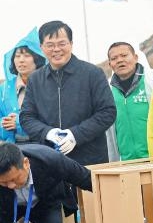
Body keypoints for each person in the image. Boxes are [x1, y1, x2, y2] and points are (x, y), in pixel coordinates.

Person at [20, 21, 116, 167]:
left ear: (71, 43)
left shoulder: (92, 73)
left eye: (62, 43)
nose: (56, 49)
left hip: (89, 160)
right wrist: (48, 132)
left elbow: (107, 112)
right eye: (50, 45)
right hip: (48, 160)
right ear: (41, 47)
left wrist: (75, 135)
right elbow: (27, 117)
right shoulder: (35, 79)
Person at [105, 42, 153, 161]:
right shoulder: (107, 90)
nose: (119, 60)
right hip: (125, 163)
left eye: (124, 55)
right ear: (110, 64)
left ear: (135, 58)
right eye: (114, 58)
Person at [0, 30, 46, 144]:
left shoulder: (47, 85)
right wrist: (4, 124)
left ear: (37, 59)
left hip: (42, 146)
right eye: (17, 56)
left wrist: (20, 123)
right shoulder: (4, 89)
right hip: (13, 149)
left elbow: (52, 119)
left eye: (26, 55)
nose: (21, 60)